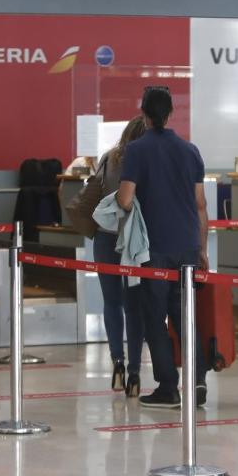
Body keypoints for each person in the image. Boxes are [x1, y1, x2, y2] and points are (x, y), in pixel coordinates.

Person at [116, 87, 209, 409]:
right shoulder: (190, 150)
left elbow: (125, 199)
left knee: (154, 317)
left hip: (153, 249)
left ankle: (168, 386)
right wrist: (202, 248)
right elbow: (200, 205)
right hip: (187, 245)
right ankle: (198, 379)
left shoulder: (137, 150)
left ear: (144, 114)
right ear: (170, 114)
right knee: (185, 316)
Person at [93, 117, 148, 396]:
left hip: (105, 237)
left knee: (111, 302)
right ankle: (136, 372)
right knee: (133, 305)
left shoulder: (107, 158)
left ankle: (118, 364)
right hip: (134, 241)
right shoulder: (146, 160)